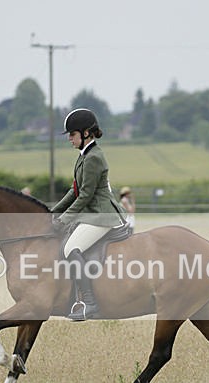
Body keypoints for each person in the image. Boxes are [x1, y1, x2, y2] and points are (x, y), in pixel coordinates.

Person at [50, 108, 127, 321]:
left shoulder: (93, 158)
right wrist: (52, 212)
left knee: (70, 248)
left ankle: (90, 303)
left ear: (86, 133)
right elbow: (74, 191)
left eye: (72, 135)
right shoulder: (84, 156)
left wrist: (64, 219)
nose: (69, 139)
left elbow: (84, 196)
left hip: (102, 215)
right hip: (91, 214)